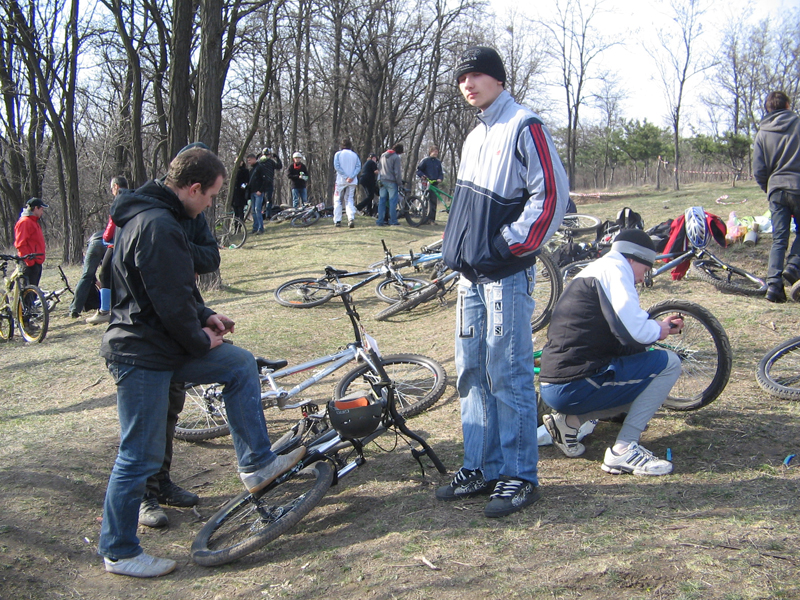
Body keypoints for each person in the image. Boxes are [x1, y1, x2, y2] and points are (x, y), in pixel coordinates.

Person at [98, 147, 304, 578]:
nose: (211, 203)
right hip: (140, 355)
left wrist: (205, 315)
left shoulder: (165, 217)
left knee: (238, 365)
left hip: (161, 346)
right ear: (192, 189)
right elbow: (168, 304)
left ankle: (256, 464)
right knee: (138, 455)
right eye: (210, 196)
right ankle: (119, 550)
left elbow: (177, 293)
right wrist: (200, 339)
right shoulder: (157, 226)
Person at [436, 47, 569, 518]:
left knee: (508, 370)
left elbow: (551, 196)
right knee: (471, 370)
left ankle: (518, 474)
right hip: (470, 278)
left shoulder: (523, 125)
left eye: (476, 75)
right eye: (461, 77)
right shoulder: (476, 135)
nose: (467, 83)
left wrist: (506, 246)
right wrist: (456, 250)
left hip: (506, 276)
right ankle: (481, 465)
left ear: (497, 78)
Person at [538, 229, 684, 476]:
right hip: (573, 384)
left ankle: (569, 422)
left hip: (557, 383)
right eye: (645, 270)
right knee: (669, 363)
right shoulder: (616, 271)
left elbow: (620, 331)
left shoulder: (596, 270)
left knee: (638, 376)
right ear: (632, 259)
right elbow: (633, 331)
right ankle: (623, 450)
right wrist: (661, 329)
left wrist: (654, 328)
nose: (642, 278)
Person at [752, 91, 800, 303]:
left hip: (776, 190)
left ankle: (773, 286)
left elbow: (759, 170)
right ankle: (794, 266)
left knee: (779, 239)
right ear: (788, 105)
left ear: (768, 109)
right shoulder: (798, 124)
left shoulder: (762, 133)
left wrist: (769, 188)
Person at [87, 176, 129, 325]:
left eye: (112, 188)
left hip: (116, 244)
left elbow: (110, 230)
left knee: (104, 274)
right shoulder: (134, 199)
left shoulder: (119, 202)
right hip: (130, 243)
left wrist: (105, 238)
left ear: (116, 187)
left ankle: (104, 311)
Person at [14, 197, 48, 287]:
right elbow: (20, 244)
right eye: (41, 209)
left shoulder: (34, 222)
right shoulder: (25, 222)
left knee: (33, 295)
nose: (42, 212)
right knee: (27, 295)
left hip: (36, 261)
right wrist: (29, 261)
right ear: (36, 208)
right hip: (29, 263)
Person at [332, 138, 361, 228]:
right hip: (352, 181)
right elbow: (358, 167)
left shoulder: (338, 154)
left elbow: (337, 166)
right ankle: (350, 218)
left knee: (337, 199)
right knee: (349, 200)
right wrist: (351, 177)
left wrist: (345, 177)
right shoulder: (355, 155)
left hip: (341, 181)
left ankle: (337, 220)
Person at [377, 143, 403, 226]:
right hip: (391, 182)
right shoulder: (396, 157)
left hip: (382, 180)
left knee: (382, 201)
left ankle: (380, 221)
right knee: (393, 202)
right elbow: (397, 172)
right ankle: (393, 221)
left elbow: (379, 167)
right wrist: (400, 183)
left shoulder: (383, 155)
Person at [416, 145, 443, 224]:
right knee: (425, 201)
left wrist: (440, 178)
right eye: (434, 151)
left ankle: (432, 219)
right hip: (426, 183)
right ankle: (423, 219)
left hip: (434, 184)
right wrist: (422, 176)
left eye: (437, 152)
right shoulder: (425, 160)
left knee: (433, 202)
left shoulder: (438, 162)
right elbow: (418, 170)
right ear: (430, 152)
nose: (435, 153)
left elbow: (441, 173)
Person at [260, 147, 283, 220]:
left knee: (261, 200)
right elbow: (279, 166)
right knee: (268, 200)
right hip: (268, 183)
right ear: (269, 155)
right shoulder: (270, 162)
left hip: (261, 184)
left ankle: (261, 214)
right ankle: (267, 215)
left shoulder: (259, 162)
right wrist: (277, 158)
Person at [247, 153, 267, 234]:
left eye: (249, 160)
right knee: (253, 211)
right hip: (252, 192)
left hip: (258, 192)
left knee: (257, 209)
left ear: (254, 159)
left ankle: (261, 228)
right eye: (247, 160)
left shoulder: (260, 168)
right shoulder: (251, 170)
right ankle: (255, 227)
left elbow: (265, 180)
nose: (248, 162)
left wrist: (261, 190)